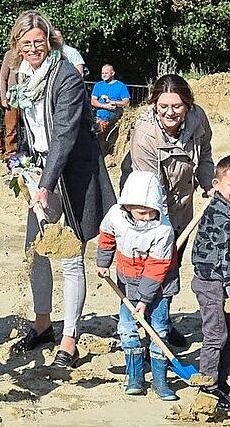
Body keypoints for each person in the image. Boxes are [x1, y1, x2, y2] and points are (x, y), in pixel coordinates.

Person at [6, 10, 116, 368]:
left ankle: (70, 338)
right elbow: (29, 130)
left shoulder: (66, 76)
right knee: (35, 250)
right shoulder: (23, 79)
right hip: (38, 169)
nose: (33, 47)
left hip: (69, 176)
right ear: (18, 45)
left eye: (39, 41)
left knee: (69, 256)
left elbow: (64, 135)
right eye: (26, 43)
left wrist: (47, 184)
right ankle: (42, 325)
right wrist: (20, 162)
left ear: (50, 41)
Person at [120, 73, 214, 347]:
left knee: (172, 267)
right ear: (154, 105)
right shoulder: (145, 134)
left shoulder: (198, 119)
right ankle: (143, 329)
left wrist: (208, 184)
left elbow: (205, 153)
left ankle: (162, 320)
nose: (170, 113)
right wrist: (162, 233)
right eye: (163, 107)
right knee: (150, 268)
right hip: (146, 208)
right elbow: (150, 188)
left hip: (182, 203)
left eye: (177, 106)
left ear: (187, 105)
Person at [96, 170, 178, 401]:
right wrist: (103, 262)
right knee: (127, 328)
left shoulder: (163, 230)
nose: (145, 216)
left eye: (151, 212)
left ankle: (160, 381)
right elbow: (107, 236)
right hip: (127, 283)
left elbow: (156, 267)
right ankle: (135, 377)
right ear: (128, 205)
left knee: (159, 331)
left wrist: (143, 301)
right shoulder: (115, 216)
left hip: (159, 286)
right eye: (141, 212)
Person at [191, 156, 230, 410]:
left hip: (227, 283)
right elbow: (224, 255)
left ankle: (222, 383)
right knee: (216, 335)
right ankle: (209, 387)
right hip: (213, 282)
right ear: (217, 184)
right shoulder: (219, 214)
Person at [91, 63, 130, 135]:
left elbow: (126, 102)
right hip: (98, 117)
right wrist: (105, 106)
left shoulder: (121, 86)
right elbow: (93, 101)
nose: (104, 75)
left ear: (112, 73)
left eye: (106, 73)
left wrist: (114, 102)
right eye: (102, 73)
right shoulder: (98, 85)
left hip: (114, 117)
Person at [0, 48, 22, 155]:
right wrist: (3, 97)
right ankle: (11, 154)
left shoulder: (32, 54)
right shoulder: (10, 54)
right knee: (11, 128)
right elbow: (3, 78)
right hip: (12, 97)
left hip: (29, 96)